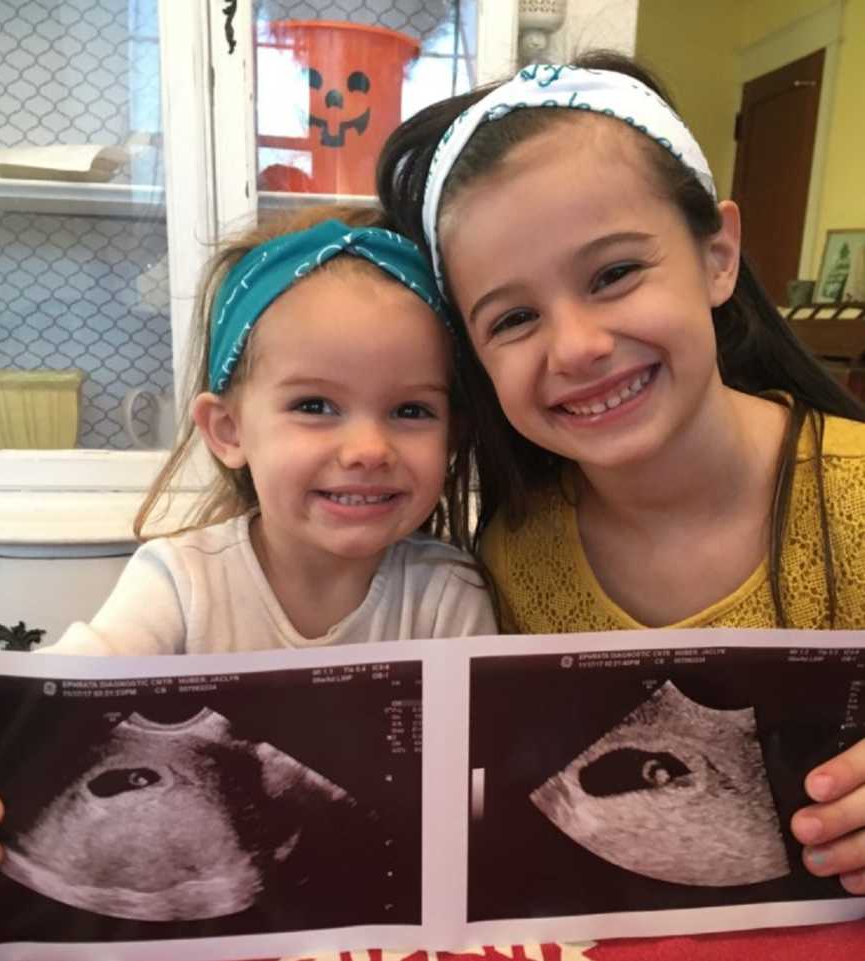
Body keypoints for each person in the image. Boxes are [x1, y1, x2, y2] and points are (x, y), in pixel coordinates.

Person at [376, 50, 865, 903]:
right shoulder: (513, 560)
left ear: (718, 255)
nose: (577, 347)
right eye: (515, 317)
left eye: (613, 274)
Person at [0, 204, 496, 903]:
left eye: (410, 410)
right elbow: (54, 700)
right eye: (315, 405)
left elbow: (484, 793)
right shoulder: (180, 580)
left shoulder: (447, 594)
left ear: (451, 435)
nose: (369, 449)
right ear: (227, 429)